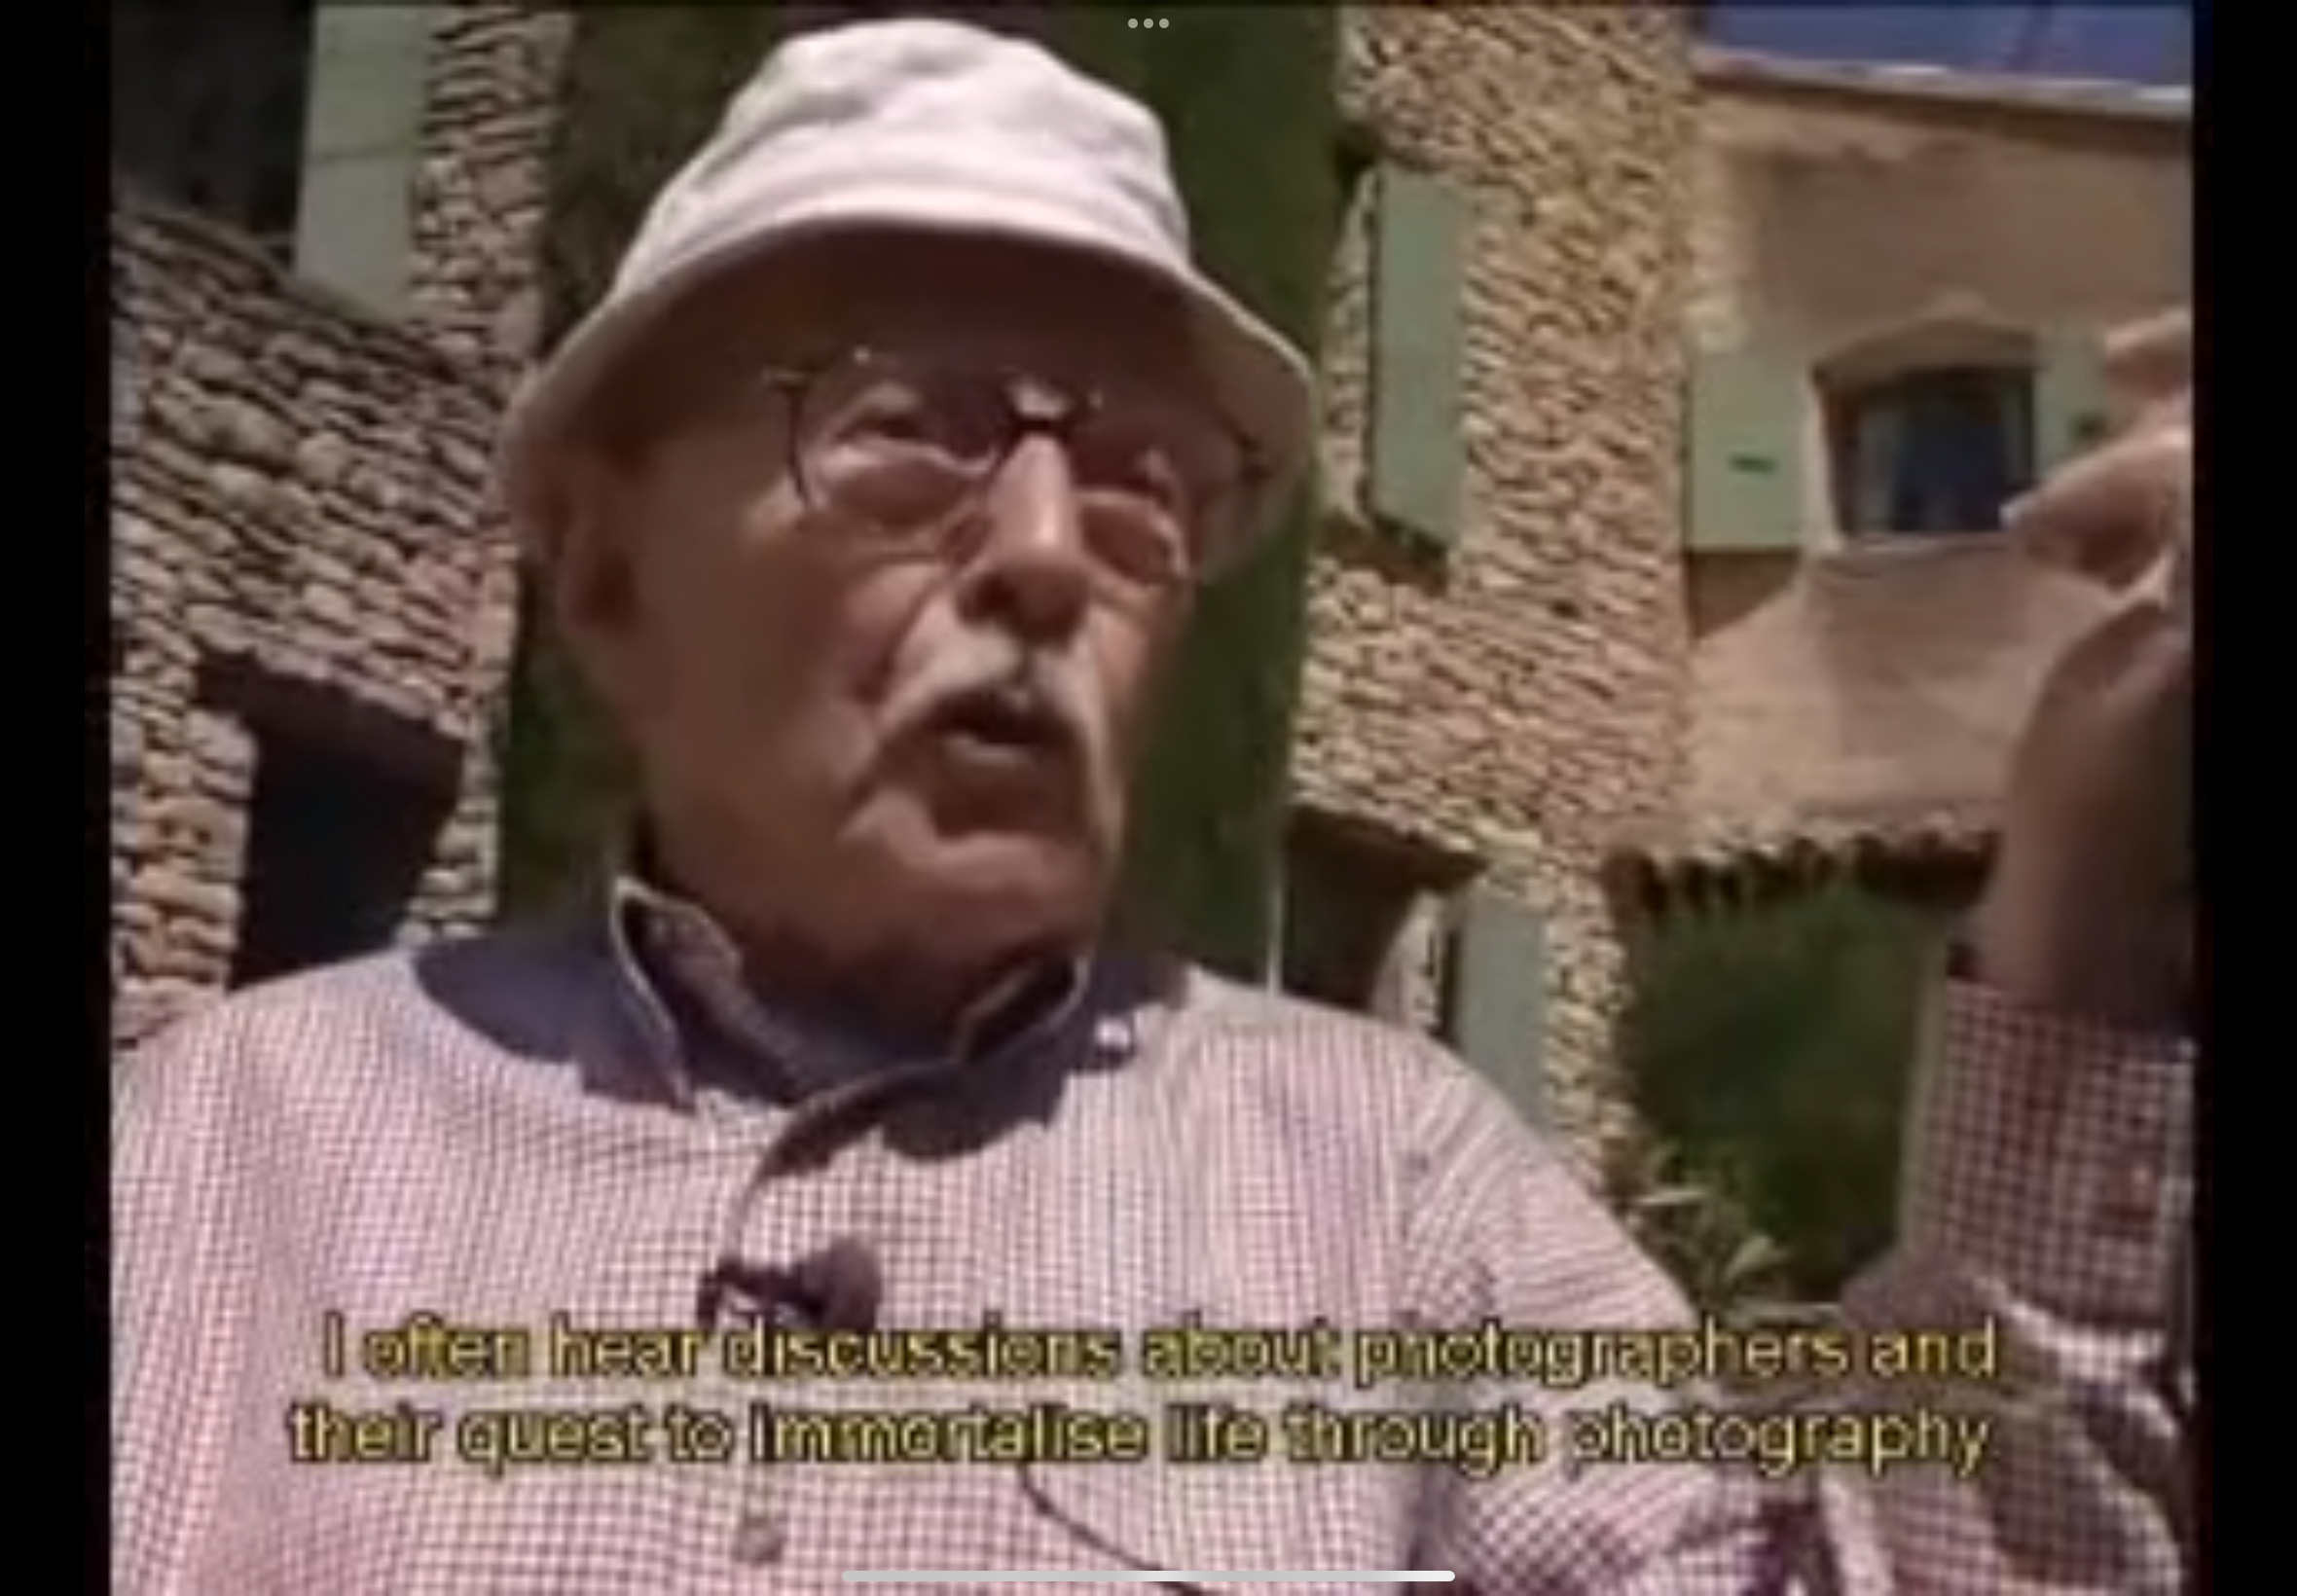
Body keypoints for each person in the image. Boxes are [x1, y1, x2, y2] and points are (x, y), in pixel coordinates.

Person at [111, 19, 2194, 1593]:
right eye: (906, 428)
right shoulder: (218, 1155)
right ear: (601, 571)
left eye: (1136, 478)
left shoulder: (1393, 1188)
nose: (1048, 552)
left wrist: (2087, 888)